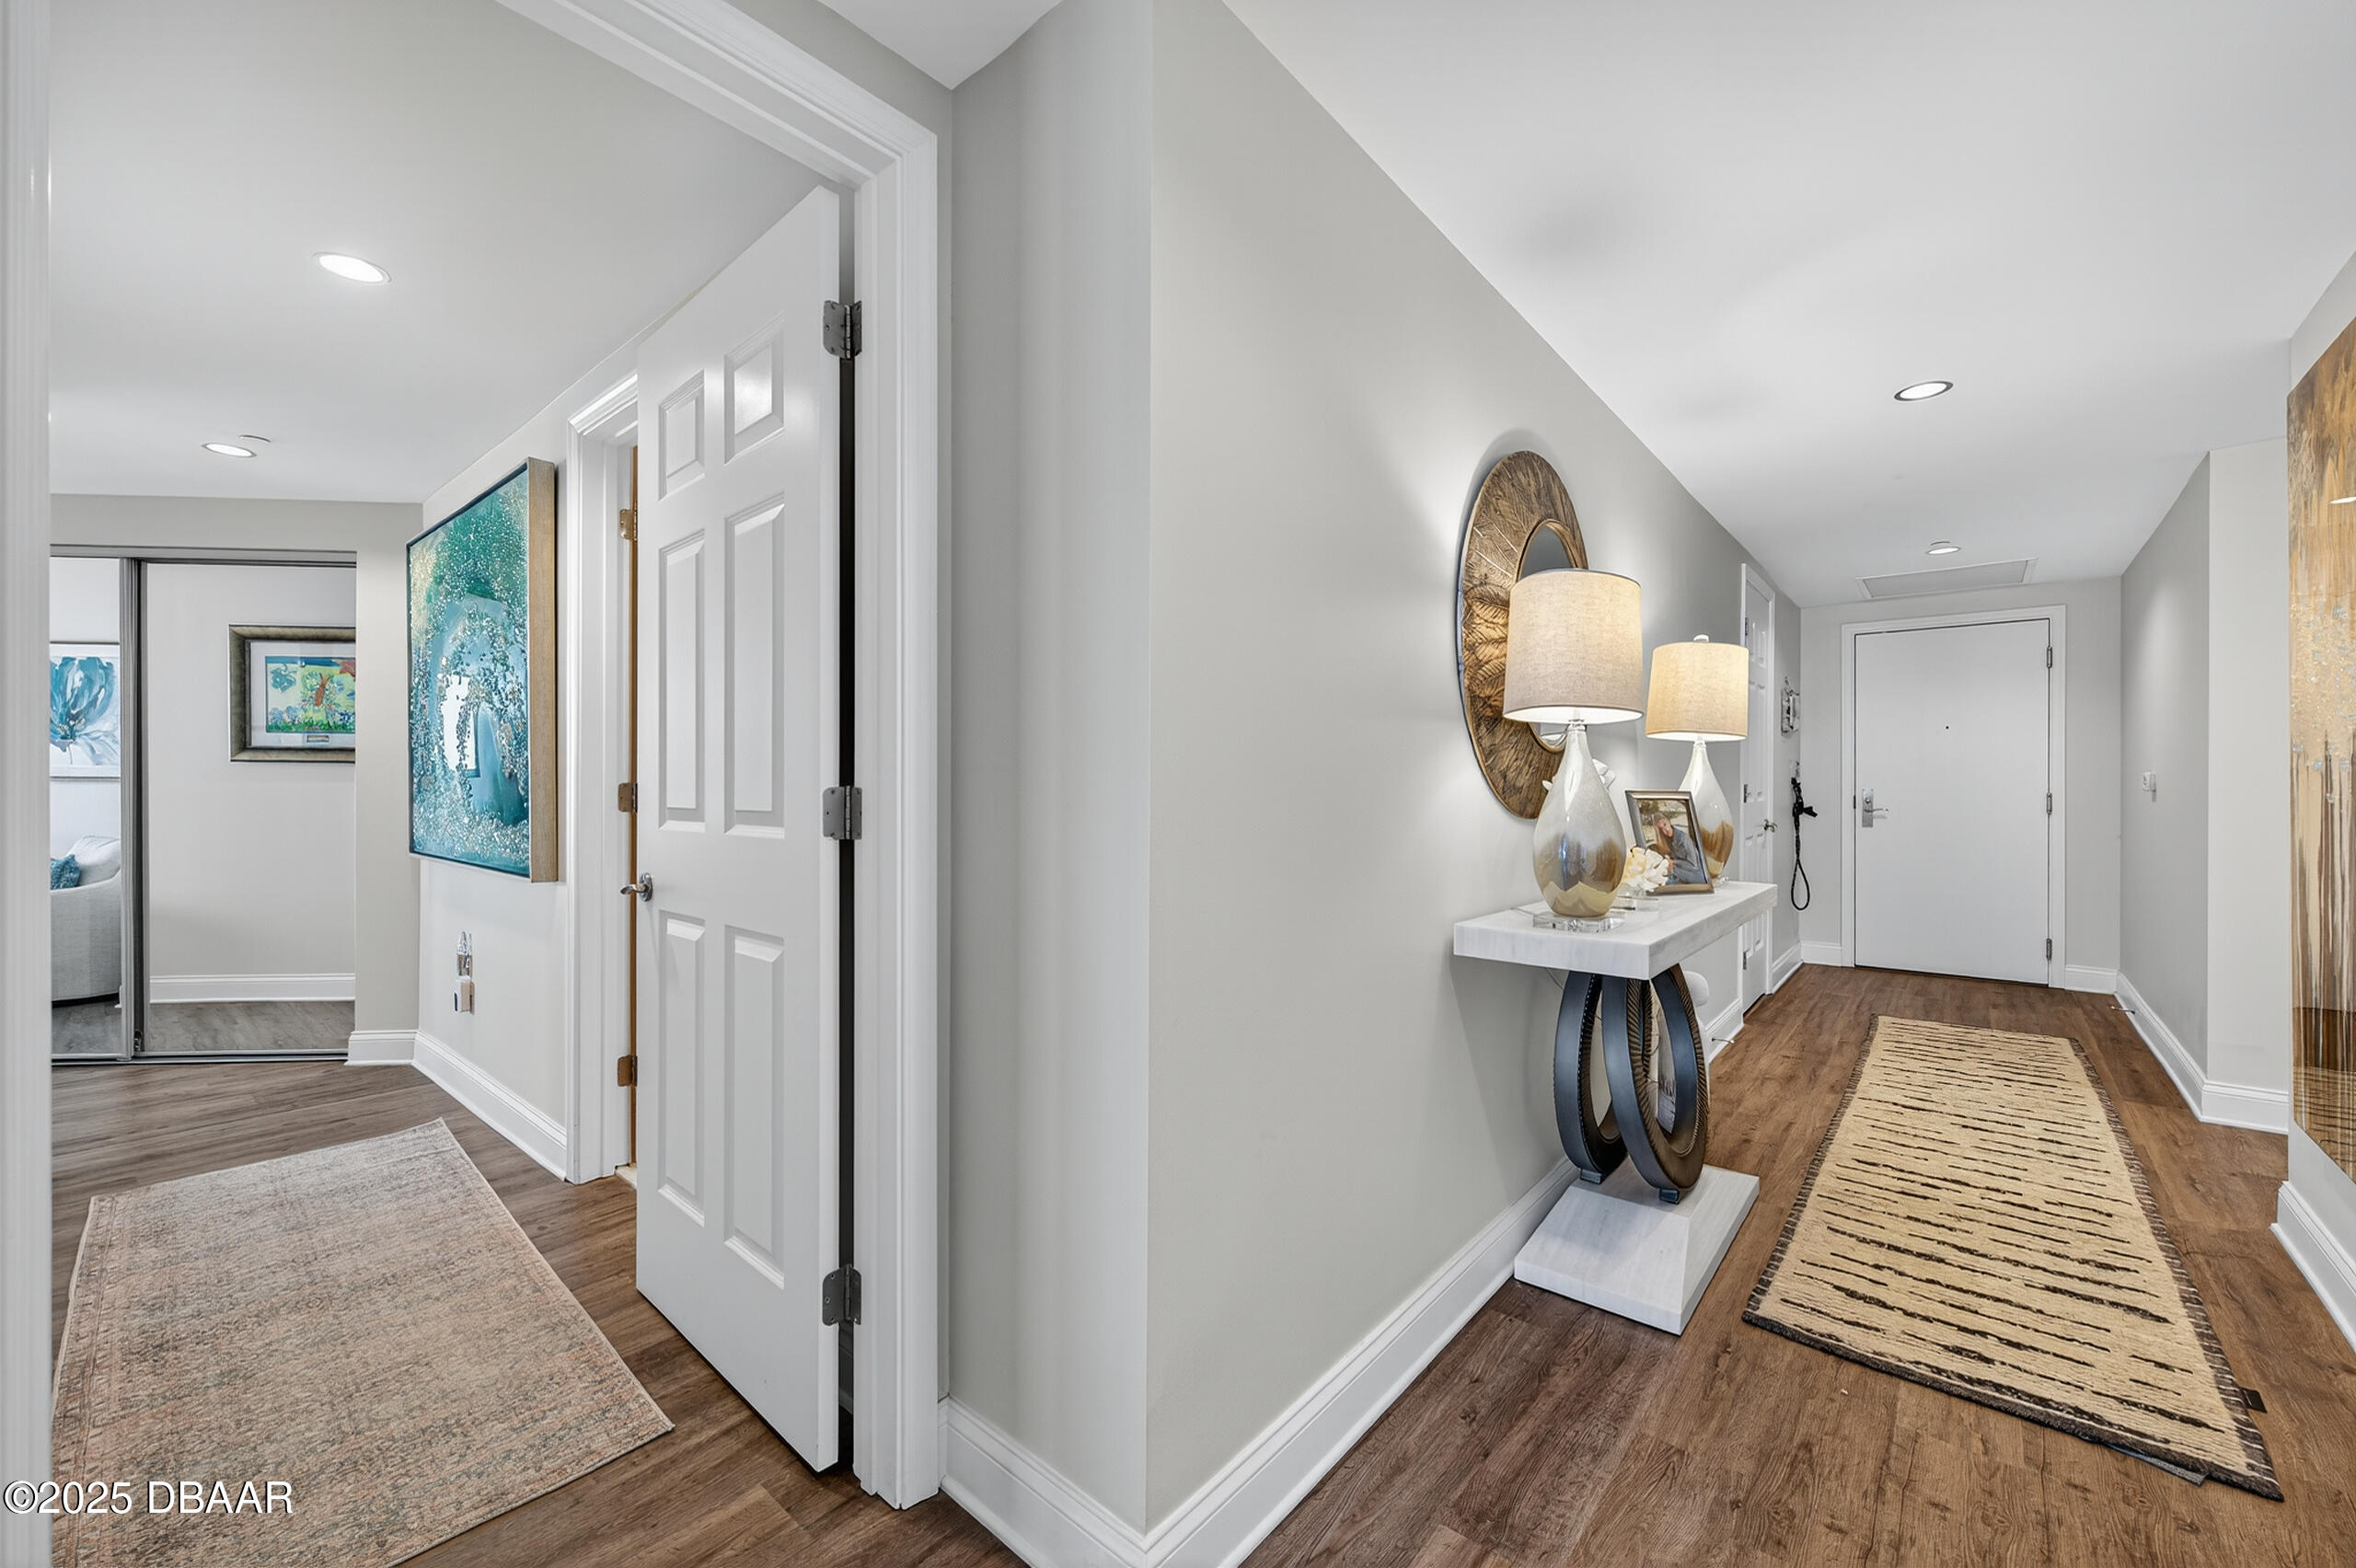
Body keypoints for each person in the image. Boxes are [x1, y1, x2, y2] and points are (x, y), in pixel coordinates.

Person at [1650, 808, 1708, 885]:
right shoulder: (1668, 840)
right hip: (1678, 871)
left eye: (1665, 824)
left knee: (1664, 877)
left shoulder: (1683, 838)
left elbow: (1693, 865)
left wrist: (1673, 862)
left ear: (1668, 821)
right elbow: (1665, 852)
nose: (1666, 830)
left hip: (1696, 875)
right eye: (1661, 830)